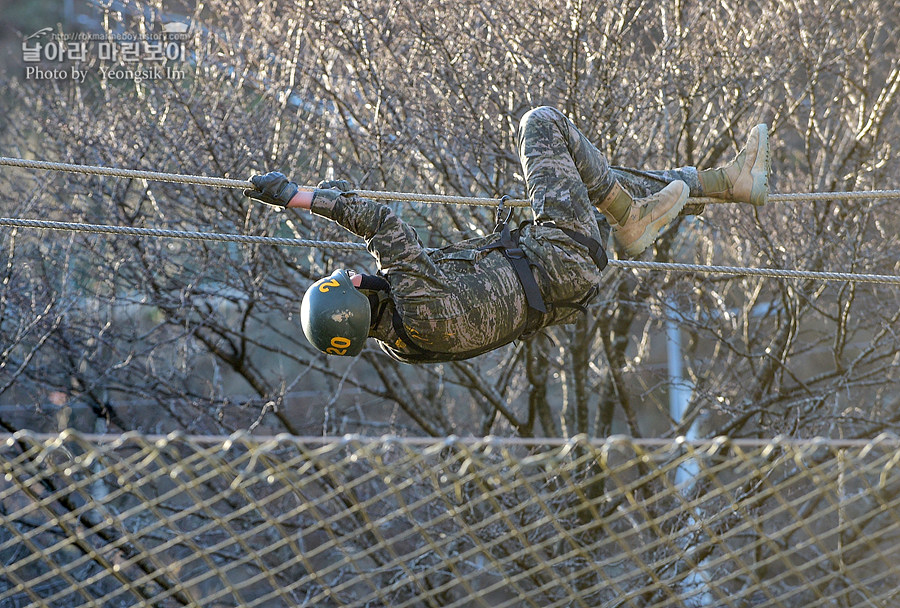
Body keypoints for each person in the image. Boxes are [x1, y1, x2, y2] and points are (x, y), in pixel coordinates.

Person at [245, 106, 769, 363]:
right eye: (347, 283)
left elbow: (395, 264)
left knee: (595, 179)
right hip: (558, 252)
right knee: (542, 125)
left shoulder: (405, 338)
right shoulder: (417, 306)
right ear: (357, 304)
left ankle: (727, 183)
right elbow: (385, 228)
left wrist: (338, 195)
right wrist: (299, 197)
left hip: (566, 279)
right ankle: (631, 218)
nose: (353, 275)